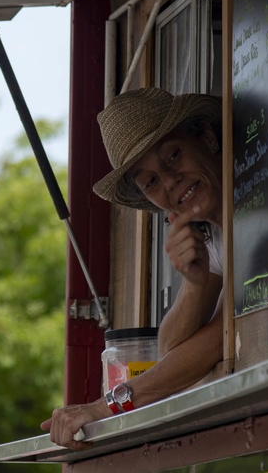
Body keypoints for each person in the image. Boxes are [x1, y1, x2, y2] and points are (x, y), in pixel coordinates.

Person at [41, 88, 224, 449]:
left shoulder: (260, 206)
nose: (170, 181)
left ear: (207, 137)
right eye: (151, 181)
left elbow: (224, 335)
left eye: (173, 154)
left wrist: (106, 405)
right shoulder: (215, 235)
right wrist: (197, 283)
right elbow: (171, 347)